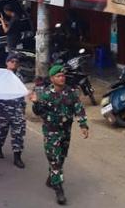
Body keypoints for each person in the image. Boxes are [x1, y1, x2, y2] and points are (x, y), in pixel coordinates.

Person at [31, 64, 89, 205]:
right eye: (58, 76)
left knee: (61, 157)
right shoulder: (45, 94)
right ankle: (59, 189)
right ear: (52, 78)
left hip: (65, 131)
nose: (62, 78)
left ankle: (52, 178)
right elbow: (38, 112)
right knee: (55, 160)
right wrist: (35, 103)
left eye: (63, 75)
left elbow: (78, 108)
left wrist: (83, 125)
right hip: (51, 132)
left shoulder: (71, 92)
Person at [0, 53, 27, 169]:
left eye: (16, 62)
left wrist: (23, 108)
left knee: (18, 133)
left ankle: (17, 157)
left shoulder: (20, 77)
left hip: (17, 110)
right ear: (7, 63)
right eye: (11, 61)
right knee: (1, 131)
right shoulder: (1, 75)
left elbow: (22, 94)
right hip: (4, 108)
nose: (14, 63)